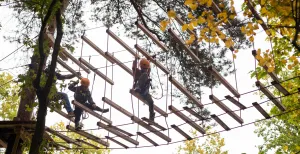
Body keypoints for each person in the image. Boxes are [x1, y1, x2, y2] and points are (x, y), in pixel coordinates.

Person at [132, 57, 155, 122]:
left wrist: (149, 60)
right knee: (145, 75)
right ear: (141, 67)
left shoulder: (147, 73)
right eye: (144, 68)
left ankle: (152, 117)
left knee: (151, 102)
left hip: (144, 92)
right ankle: (138, 87)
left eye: (146, 69)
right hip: (138, 89)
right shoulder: (138, 72)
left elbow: (149, 69)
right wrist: (135, 60)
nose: (145, 70)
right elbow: (134, 68)